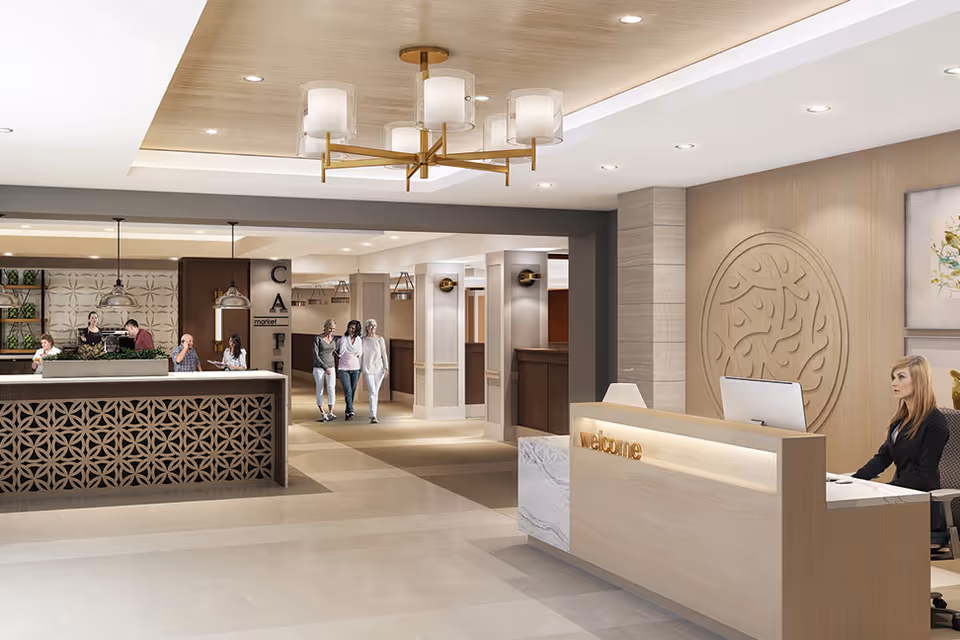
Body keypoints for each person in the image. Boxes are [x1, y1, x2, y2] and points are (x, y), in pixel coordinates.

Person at [853, 355, 948, 530]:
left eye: (901, 377)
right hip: (899, 497)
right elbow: (883, 457)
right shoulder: (900, 420)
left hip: (920, 507)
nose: (894, 383)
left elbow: (924, 475)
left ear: (919, 381)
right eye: (893, 378)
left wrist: (882, 490)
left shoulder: (935, 422)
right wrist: (855, 481)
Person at [361, 319, 389, 424]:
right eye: (371, 326)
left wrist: (386, 368)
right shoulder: (362, 339)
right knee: (373, 391)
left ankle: (373, 415)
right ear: (367, 327)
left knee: (375, 392)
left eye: (375, 326)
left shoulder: (380, 339)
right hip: (368, 368)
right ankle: (373, 415)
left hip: (379, 369)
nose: (373, 328)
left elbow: (384, 354)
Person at [336, 319, 363, 421]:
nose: (351, 330)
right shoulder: (343, 339)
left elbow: (360, 352)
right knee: (347, 390)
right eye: (350, 327)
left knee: (352, 390)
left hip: (355, 368)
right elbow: (334, 348)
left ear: (357, 330)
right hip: (343, 368)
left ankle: (348, 412)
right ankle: (351, 410)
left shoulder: (359, 340)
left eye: (353, 328)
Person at [313, 319, 338, 422]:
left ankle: (331, 412)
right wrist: (324, 367)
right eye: (330, 328)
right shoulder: (318, 338)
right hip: (319, 367)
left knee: (331, 388)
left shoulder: (334, 339)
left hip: (331, 366)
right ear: (325, 327)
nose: (331, 330)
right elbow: (316, 355)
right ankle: (322, 412)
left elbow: (335, 352)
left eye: (333, 329)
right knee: (320, 389)